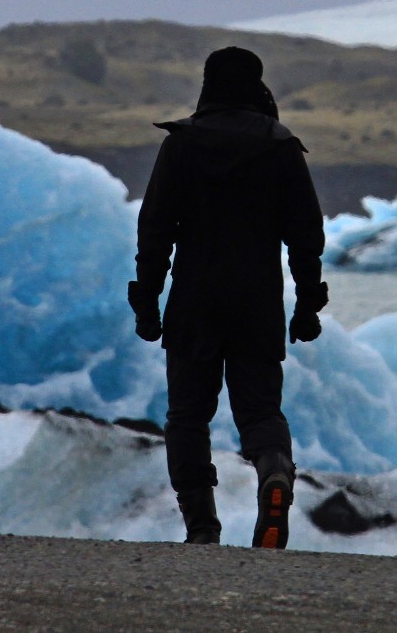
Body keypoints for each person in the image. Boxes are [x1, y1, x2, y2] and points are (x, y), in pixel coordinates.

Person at [130, 46, 328, 548]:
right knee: (261, 412)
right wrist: (307, 303)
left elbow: (155, 229)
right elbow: (305, 233)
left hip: (195, 300)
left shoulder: (183, 143)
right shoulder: (281, 146)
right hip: (256, 303)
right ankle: (275, 474)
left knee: (188, 416)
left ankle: (201, 526)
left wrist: (147, 301)